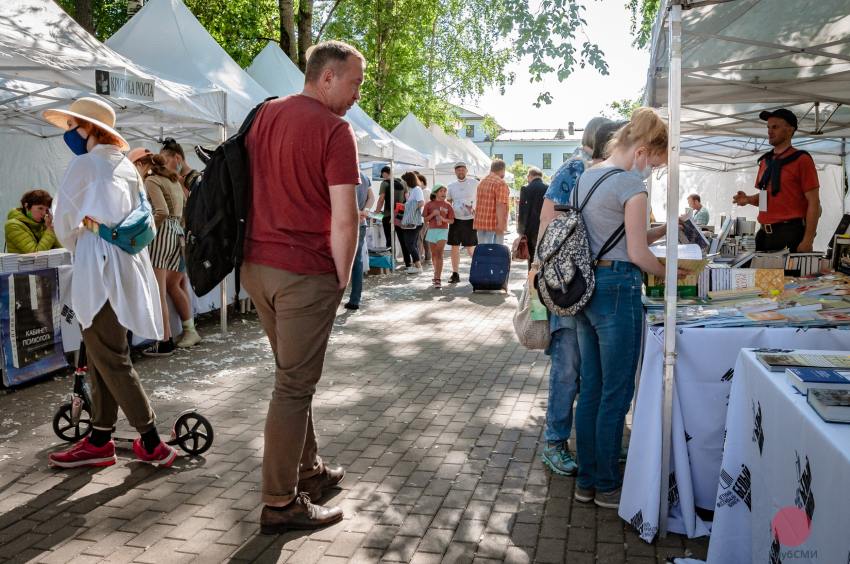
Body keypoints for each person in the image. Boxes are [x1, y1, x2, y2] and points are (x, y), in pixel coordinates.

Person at [241, 40, 363, 533]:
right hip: (303, 273)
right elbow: (346, 219)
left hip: (255, 265)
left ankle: (309, 471)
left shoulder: (265, 114)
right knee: (293, 385)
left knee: (293, 376)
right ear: (327, 77)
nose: (358, 93)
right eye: (354, 81)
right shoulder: (336, 131)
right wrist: (341, 275)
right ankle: (279, 502)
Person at [44, 97, 177, 468]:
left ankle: (151, 441)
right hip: (127, 267)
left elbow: (62, 221)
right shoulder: (125, 166)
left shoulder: (85, 165)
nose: (69, 133)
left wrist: (80, 241)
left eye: (73, 126)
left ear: (90, 129)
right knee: (103, 355)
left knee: (110, 357)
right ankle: (101, 436)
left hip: (98, 269)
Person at [565, 108, 672, 508]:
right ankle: (608, 484)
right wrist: (671, 274)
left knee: (590, 389)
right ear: (643, 151)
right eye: (655, 165)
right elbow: (638, 252)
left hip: (583, 289)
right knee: (616, 392)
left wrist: (662, 230)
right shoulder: (630, 183)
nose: (652, 172)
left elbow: (612, 234)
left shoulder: (586, 178)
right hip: (617, 289)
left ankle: (587, 480)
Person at [532, 116, 613, 477]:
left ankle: (589, 439)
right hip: (568, 282)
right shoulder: (573, 169)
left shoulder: (605, 172)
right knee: (567, 368)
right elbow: (547, 221)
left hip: (593, 281)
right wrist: (540, 271)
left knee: (588, 369)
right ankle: (554, 441)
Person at [127, 148, 189, 357]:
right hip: (177, 233)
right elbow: (182, 212)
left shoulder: (152, 181)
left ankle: (164, 341)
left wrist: (143, 233)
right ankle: (172, 335)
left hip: (162, 235)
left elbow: (160, 211)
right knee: (171, 287)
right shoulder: (172, 179)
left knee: (159, 292)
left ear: (139, 165)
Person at [732, 108, 820, 252]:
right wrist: (748, 199)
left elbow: (814, 202)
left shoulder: (802, 160)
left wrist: (808, 240)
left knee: (788, 276)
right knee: (761, 275)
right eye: (768, 127)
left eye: (775, 127)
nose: (770, 131)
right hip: (763, 235)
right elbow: (766, 199)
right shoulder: (765, 161)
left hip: (790, 233)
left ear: (790, 130)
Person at [159, 138, 202, 348]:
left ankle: (190, 330)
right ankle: (189, 329)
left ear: (177, 158)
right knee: (178, 283)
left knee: (172, 284)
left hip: (185, 239)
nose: (163, 165)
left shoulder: (190, 180)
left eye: (165, 160)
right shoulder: (180, 179)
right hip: (183, 239)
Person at [344, 171, 374, 310]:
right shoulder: (364, 176)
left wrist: (357, 211)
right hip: (360, 222)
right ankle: (355, 299)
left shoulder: (343, 173)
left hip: (344, 224)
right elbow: (371, 197)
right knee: (357, 261)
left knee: (337, 260)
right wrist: (365, 211)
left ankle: (334, 299)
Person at [373, 165, 411, 269]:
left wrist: (376, 212)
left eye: (382, 174)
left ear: (385, 173)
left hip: (388, 215)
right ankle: (408, 263)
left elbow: (381, 199)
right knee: (403, 240)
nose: (382, 176)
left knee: (389, 240)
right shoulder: (403, 183)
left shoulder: (384, 183)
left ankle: (391, 263)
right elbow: (408, 199)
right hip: (400, 215)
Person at [446, 162, 478, 283]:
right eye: (458, 170)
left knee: (471, 248)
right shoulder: (451, 185)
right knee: (454, 247)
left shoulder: (474, 183)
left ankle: (479, 268)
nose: (460, 172)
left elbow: (480, 197)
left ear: (466, 171)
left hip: (470, 219)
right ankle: (455, 274)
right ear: (455, 172)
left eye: (462, 170)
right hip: (455, 220)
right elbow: (448, 202)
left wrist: (477, 209)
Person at [5, 190, 62, 254]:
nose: (44, 213)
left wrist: (51, 226)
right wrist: (50, 230)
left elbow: (62, 248)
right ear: (26, 206)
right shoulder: (13, 225)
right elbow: (35, 254)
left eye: (46, 210)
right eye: (40, 208)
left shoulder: (43, 224)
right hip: (23, 263)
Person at [423, 184, 454, 288]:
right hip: (432, 231)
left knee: (439, 253)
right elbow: (425, 219)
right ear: (435, 192)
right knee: (434, 254)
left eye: (445, 192)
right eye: (441, 191)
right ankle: (435, 273)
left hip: (443, 231)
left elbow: (452, 220)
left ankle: (437, 278)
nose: (444, 193)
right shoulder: (429, 204)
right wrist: (433, 214)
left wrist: (443, 219)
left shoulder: (448, 205)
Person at [473, 159, 511, 245]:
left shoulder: (482, 182)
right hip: (494, 224)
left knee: (483, 251)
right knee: (495, 253)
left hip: (480, 222)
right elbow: (500, 204)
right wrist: (501, 224)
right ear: (503, 170)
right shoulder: (500, 183)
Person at [517, 168, 547, 267]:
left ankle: (531, 278)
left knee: (531, 255)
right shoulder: (548, 187)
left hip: (530, 228)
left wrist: (520, 231)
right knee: (543, 254)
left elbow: (522, 212)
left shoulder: (525, 188)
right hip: (544, 226)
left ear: (530, 176)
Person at [399, 171, 425, 274]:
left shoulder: (417, 190)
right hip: (413, 222)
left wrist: (410, 210)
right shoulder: (412, 190)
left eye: (404, 181)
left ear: (408, 181)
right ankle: (416, 265)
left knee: (409, 243)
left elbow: (421, 203)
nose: (403, 183)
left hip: (415, 222)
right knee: (412, 243)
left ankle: (418, 266)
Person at [415, 171, 431, 263]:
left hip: (423, 218)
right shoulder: (427, 191)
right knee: (425, 239)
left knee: (420, 239)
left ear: (421, 181)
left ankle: (419, 259)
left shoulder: (424, 191)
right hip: (426, 218)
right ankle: (428, 258)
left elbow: (423, 205)